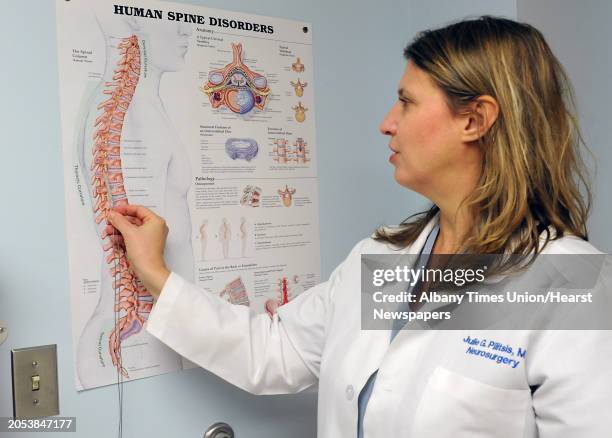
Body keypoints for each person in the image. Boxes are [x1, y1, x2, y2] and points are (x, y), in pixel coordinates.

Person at [106, 15, 612, 438]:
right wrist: (155, 272)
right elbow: (274, 353)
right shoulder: (386, 260)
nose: (387, 122)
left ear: (475, 120)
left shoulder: (569, 285)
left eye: (408, 102)